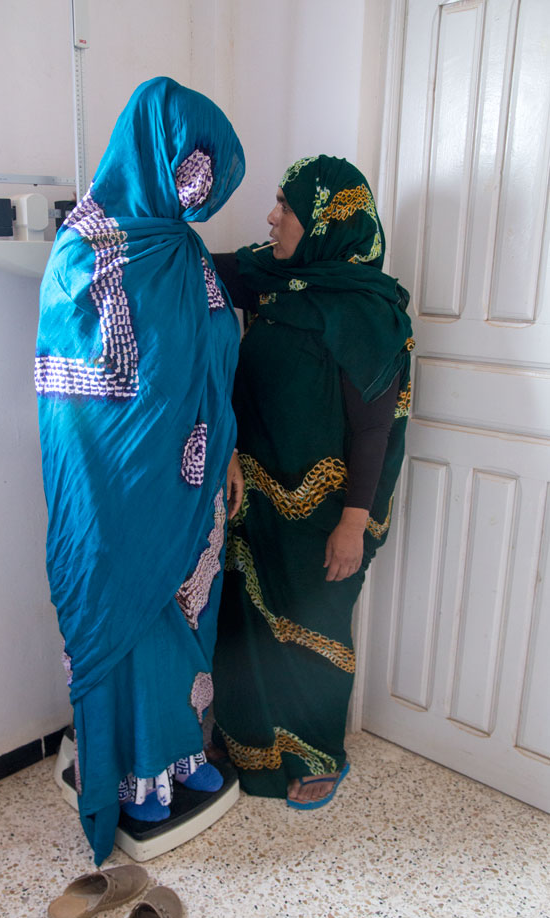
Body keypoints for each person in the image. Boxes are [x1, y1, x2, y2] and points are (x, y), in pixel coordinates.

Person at [35, 77, 245, 865]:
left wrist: (222, 451)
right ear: (151, 150)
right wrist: (146, 458)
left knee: (185, 619)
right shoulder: (83, 251)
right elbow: (78, 395)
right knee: (132, 620)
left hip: (195, 477)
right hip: (117, 490)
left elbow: (211, 359)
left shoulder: (185, 250)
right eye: (190, 170)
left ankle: (180, 758)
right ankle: (130, 773)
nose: (196, 192)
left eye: (207, 181)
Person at [211, 155, 413, 809]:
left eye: (287, 207)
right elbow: (196, 265)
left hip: (328, 511)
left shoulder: (366, 312)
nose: (272, 217)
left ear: (327, 223)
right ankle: (245, 742)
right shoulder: (270, 278)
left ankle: (317, 753)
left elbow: (373, 431)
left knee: (313, 628)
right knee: (245, 621)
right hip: (254, 496)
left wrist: (353, 524)